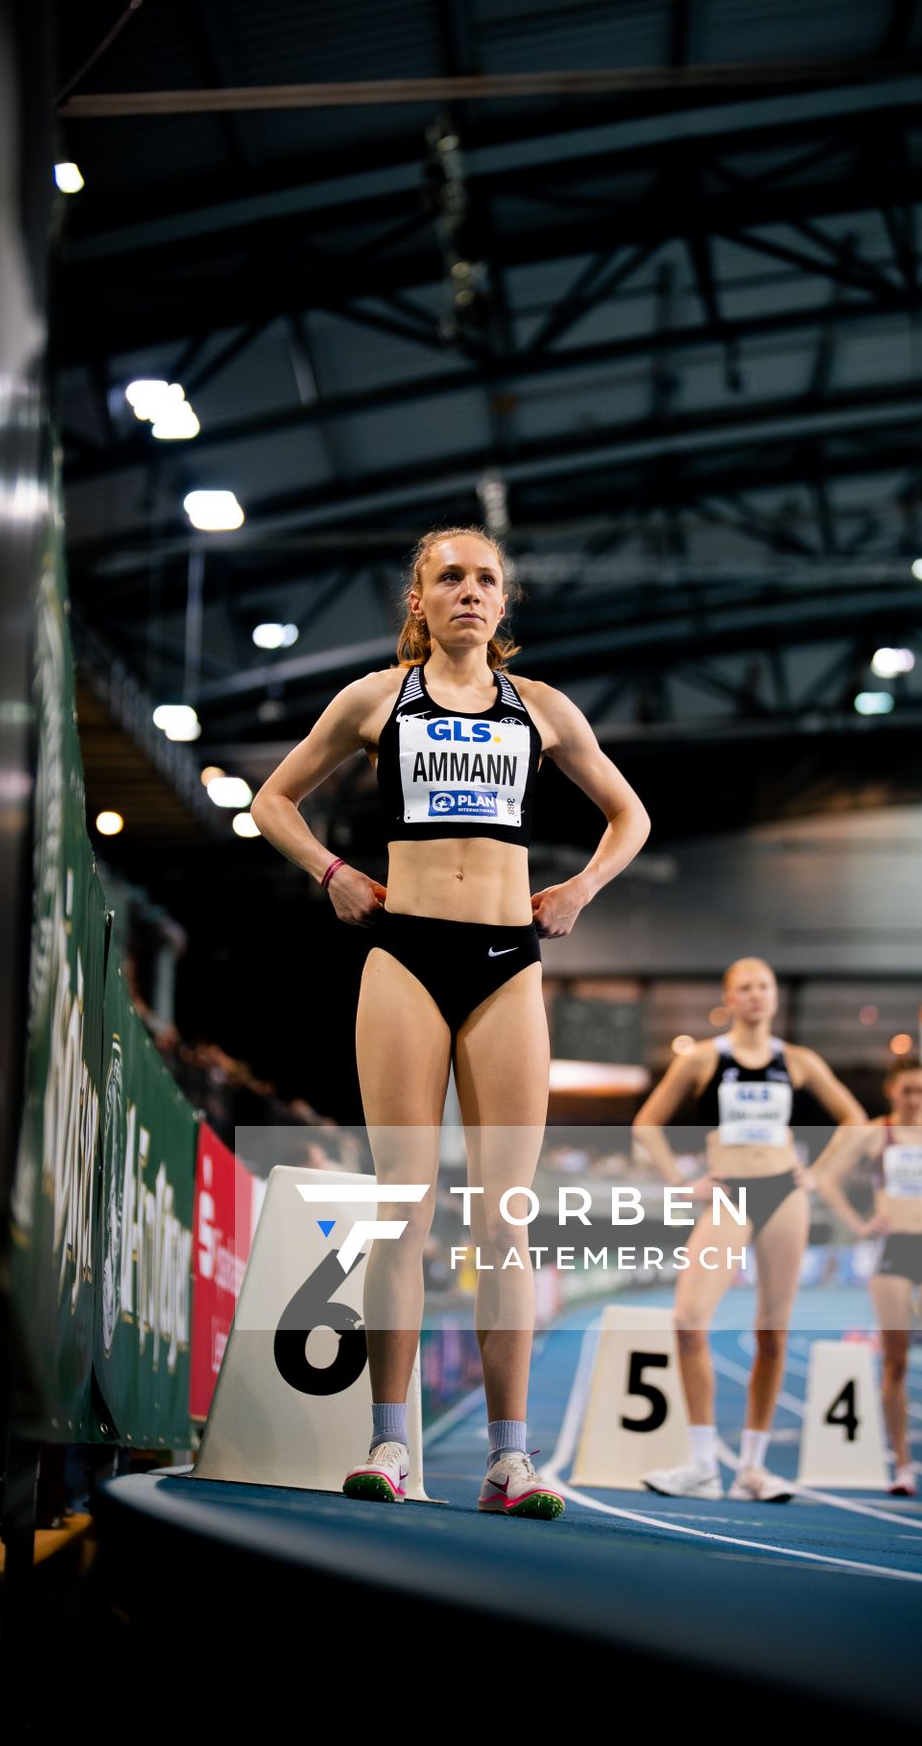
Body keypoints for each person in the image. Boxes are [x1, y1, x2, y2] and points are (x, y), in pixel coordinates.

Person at [250, 524, 651, 1517]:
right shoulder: (375, 700)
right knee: (403, 1206)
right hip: (404, 953)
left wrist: (580, 890)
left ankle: (508, 1461)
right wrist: (333, 874)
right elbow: (272, 801)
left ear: (502, 605)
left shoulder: (543, 711)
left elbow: (629, 816)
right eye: (448, 578)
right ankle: (391, 1447)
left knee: (501, 1219)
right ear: (417, 601)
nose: (468, 592)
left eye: (485, 580)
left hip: (507, 963)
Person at [632, 957, 867, 1503]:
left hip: (784, 1192)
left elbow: (855, 1121)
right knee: (689, 1321)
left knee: (772, 1332)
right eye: (745, 987)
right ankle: (702, 1464)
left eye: (764, 986)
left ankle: (753, 1469)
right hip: (728, 1192)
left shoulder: (798, 1061)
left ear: (775, 997)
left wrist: (822, 1174)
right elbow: (647, 1121)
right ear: (729, 999)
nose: (756, 995)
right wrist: (681, 1180)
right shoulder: (703, 1059)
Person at [811, 1053, 922, 1501]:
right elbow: (828, 1179)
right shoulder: (876, 1133)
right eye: (907, 1090)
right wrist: (859, 1223)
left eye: (921, 1090)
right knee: (896, 1361)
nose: (914, 1098)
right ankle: (903, 1464)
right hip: (893, 1250)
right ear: (891, 1091)